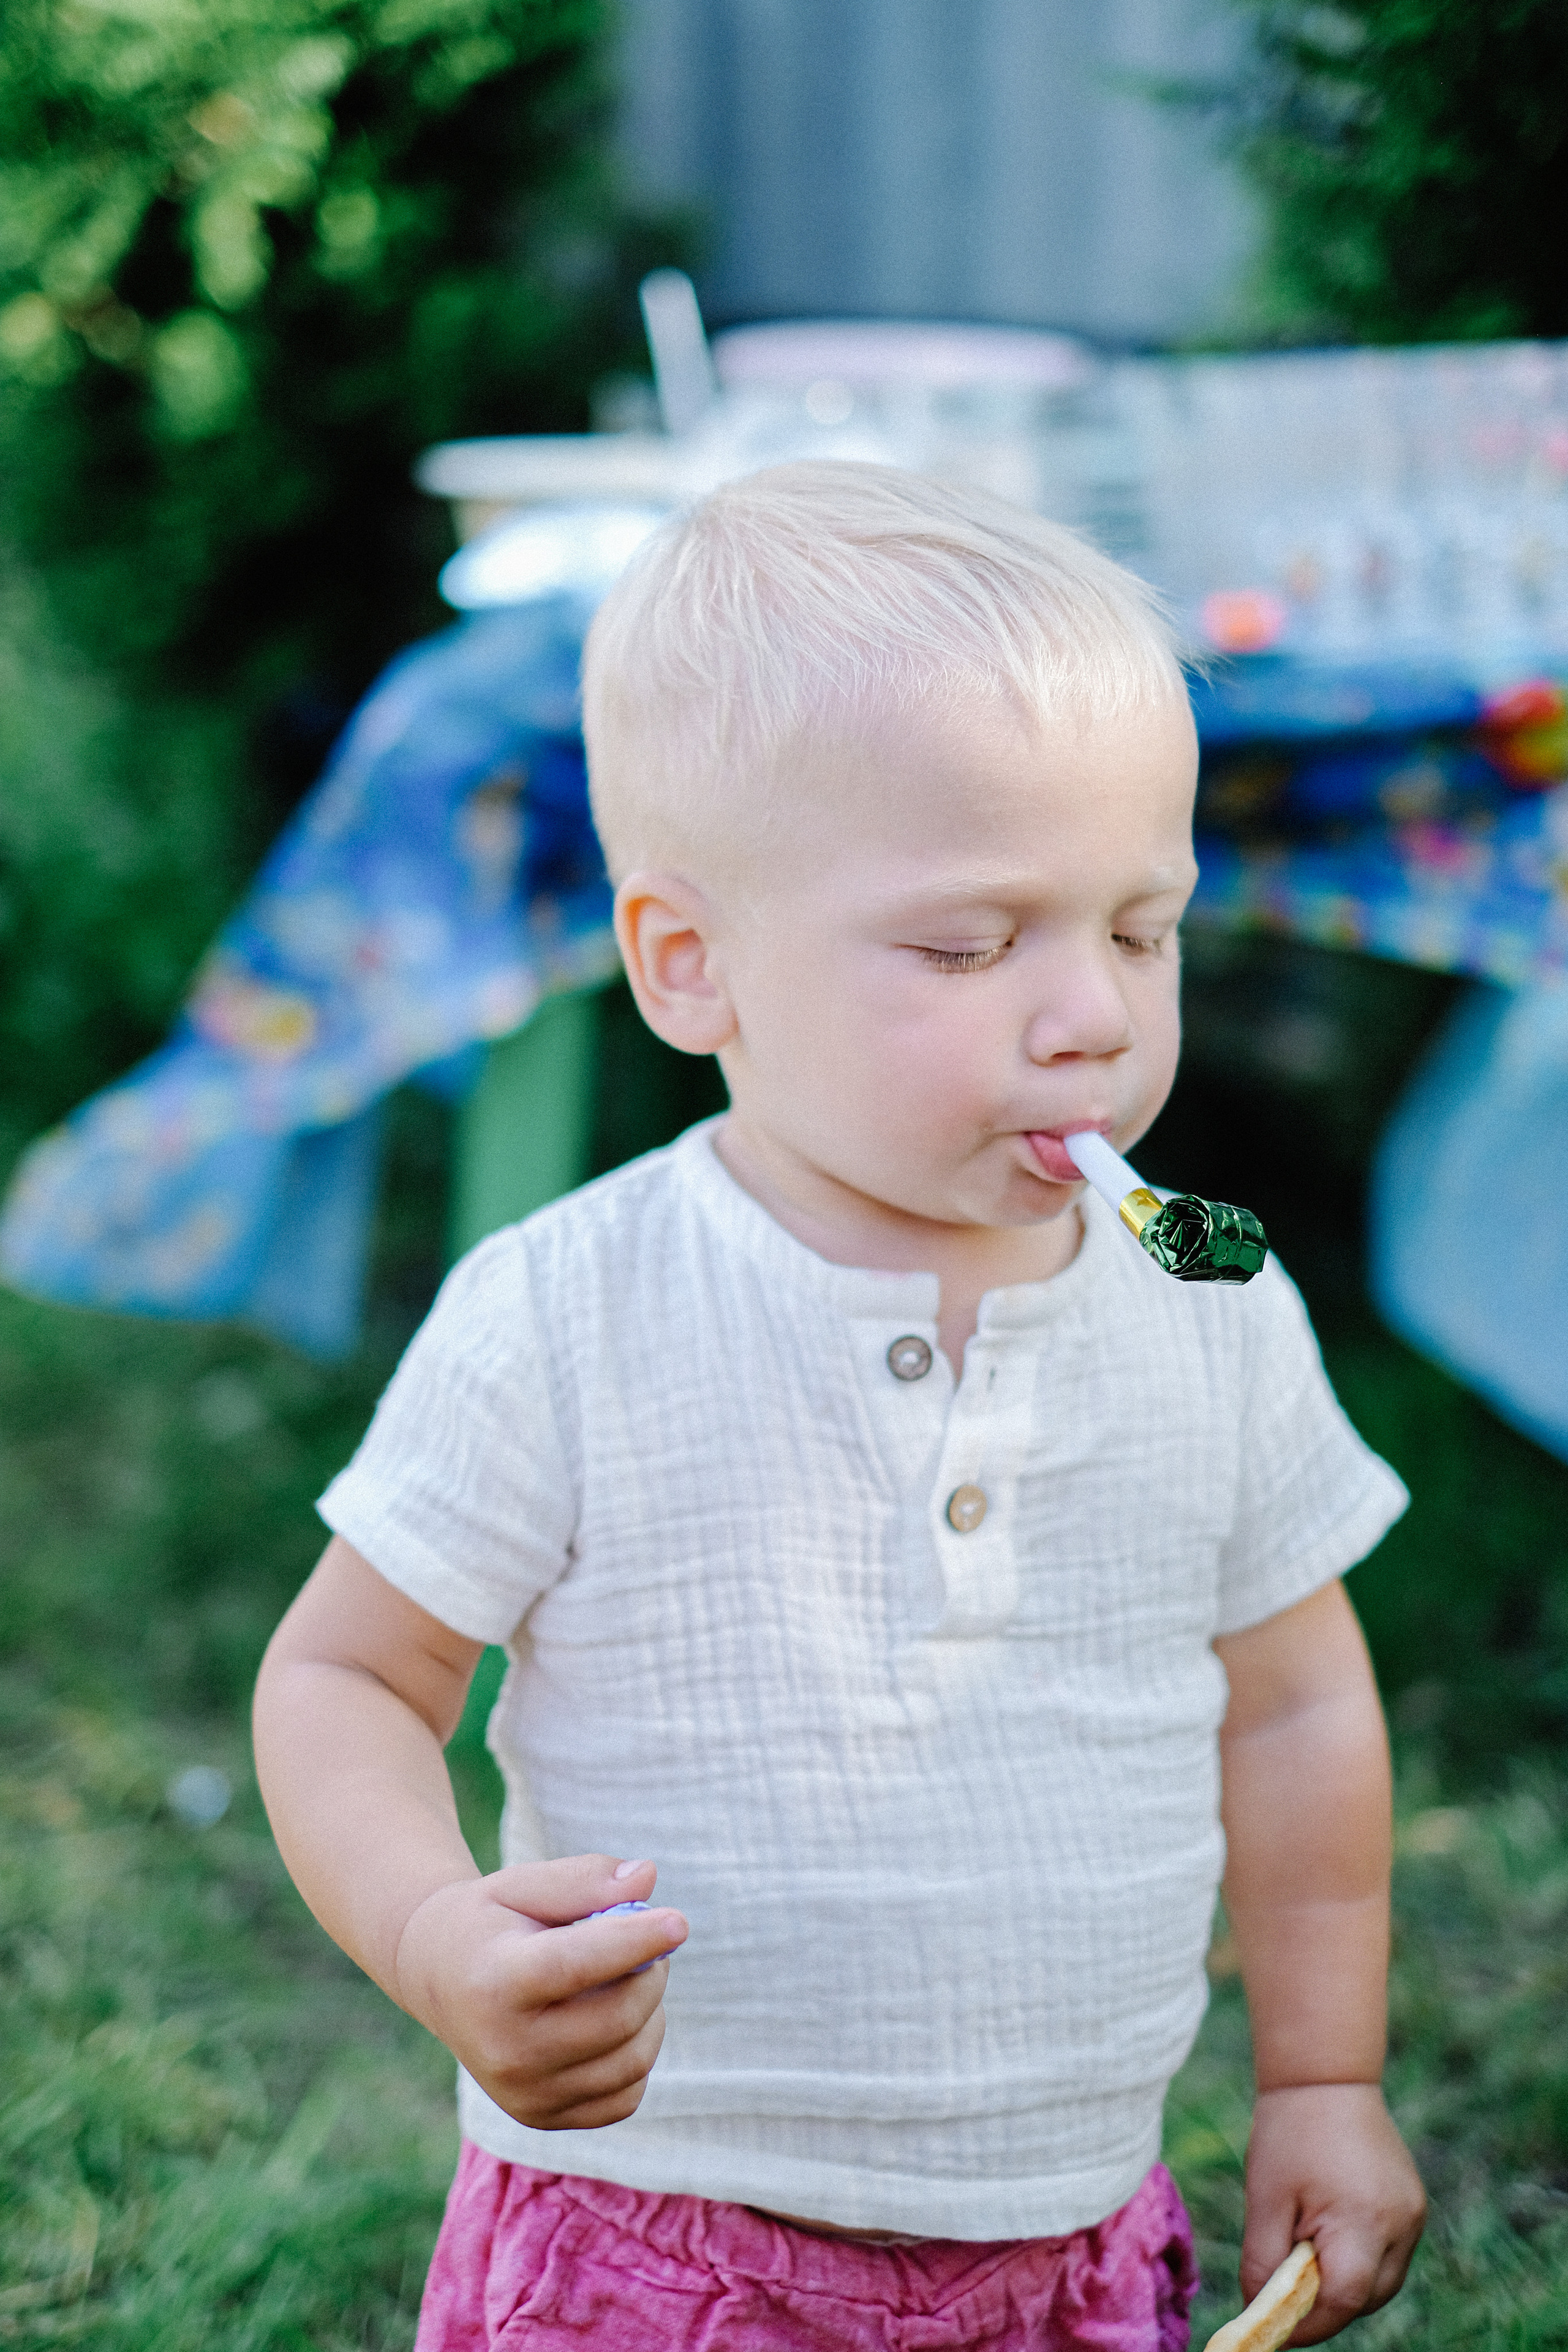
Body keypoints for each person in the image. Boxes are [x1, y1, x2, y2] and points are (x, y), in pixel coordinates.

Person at [252, 462, 1427, 2350]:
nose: (1093, 1015)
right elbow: (347, 1680)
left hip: (1060, 2231)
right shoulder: (569, 1312)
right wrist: (432, 1929)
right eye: (970, 945)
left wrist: (1323, 2081)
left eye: (1141, 929)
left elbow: (1297, 1711)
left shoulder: (1208, 1309)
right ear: (691, 965)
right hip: (651, 2231)